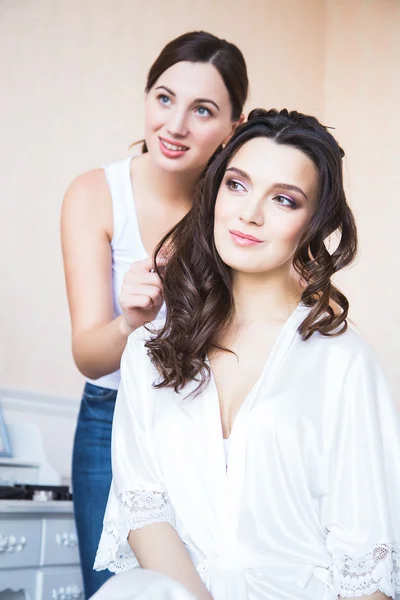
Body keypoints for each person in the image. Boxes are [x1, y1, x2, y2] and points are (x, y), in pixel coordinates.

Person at [94, 109, 400, 600]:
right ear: (215, 192)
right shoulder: (154, 344)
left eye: (283, 199)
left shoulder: (343, 363)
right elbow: (144, 506)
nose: (250, 213)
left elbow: (366, 564)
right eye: (237, 185)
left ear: (315, 223)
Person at [61, 31, 248, 598]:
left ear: (234, 129)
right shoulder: (96, 193)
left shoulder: (235, 208)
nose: (175, 125)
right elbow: (89, 357)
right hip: (111, 420)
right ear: (146, 97)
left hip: (202, 432)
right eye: (164, 98)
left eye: (203, 110)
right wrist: (131, 322)